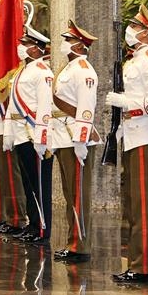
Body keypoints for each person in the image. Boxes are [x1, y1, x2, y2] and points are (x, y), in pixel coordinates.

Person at [106, 4, 148, 285]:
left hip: (145, 137)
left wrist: (125, 103)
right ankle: (136, 263)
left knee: (142, 206)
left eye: (135, 27)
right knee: (132, 205)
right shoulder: (134, 61)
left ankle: (143, 268)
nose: (130, 31)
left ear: (145, 33)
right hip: (132, 136)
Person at [49, 20, 100, 263]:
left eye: (68, 40)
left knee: (79, 194)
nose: (64, 44)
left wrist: (81, 139)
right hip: (62, 136)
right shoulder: (69, 68)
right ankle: (73, 241)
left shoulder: (84, 70)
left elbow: (87, 108)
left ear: (79, 46)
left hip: (74, 138)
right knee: (70, 193)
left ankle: (80, 245)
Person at [4, 25, 54, 245]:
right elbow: (13, 106)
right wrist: (8, 133)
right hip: (21, 134)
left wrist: (42, 138)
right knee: (28, 183)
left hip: (34, 134)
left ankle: (42, 229)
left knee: (40, 185)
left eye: (25, 44)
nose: (20, 47)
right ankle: (33, 224)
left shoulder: (43, 72)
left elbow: (44, 107)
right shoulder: (22, 71)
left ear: (36, 48)